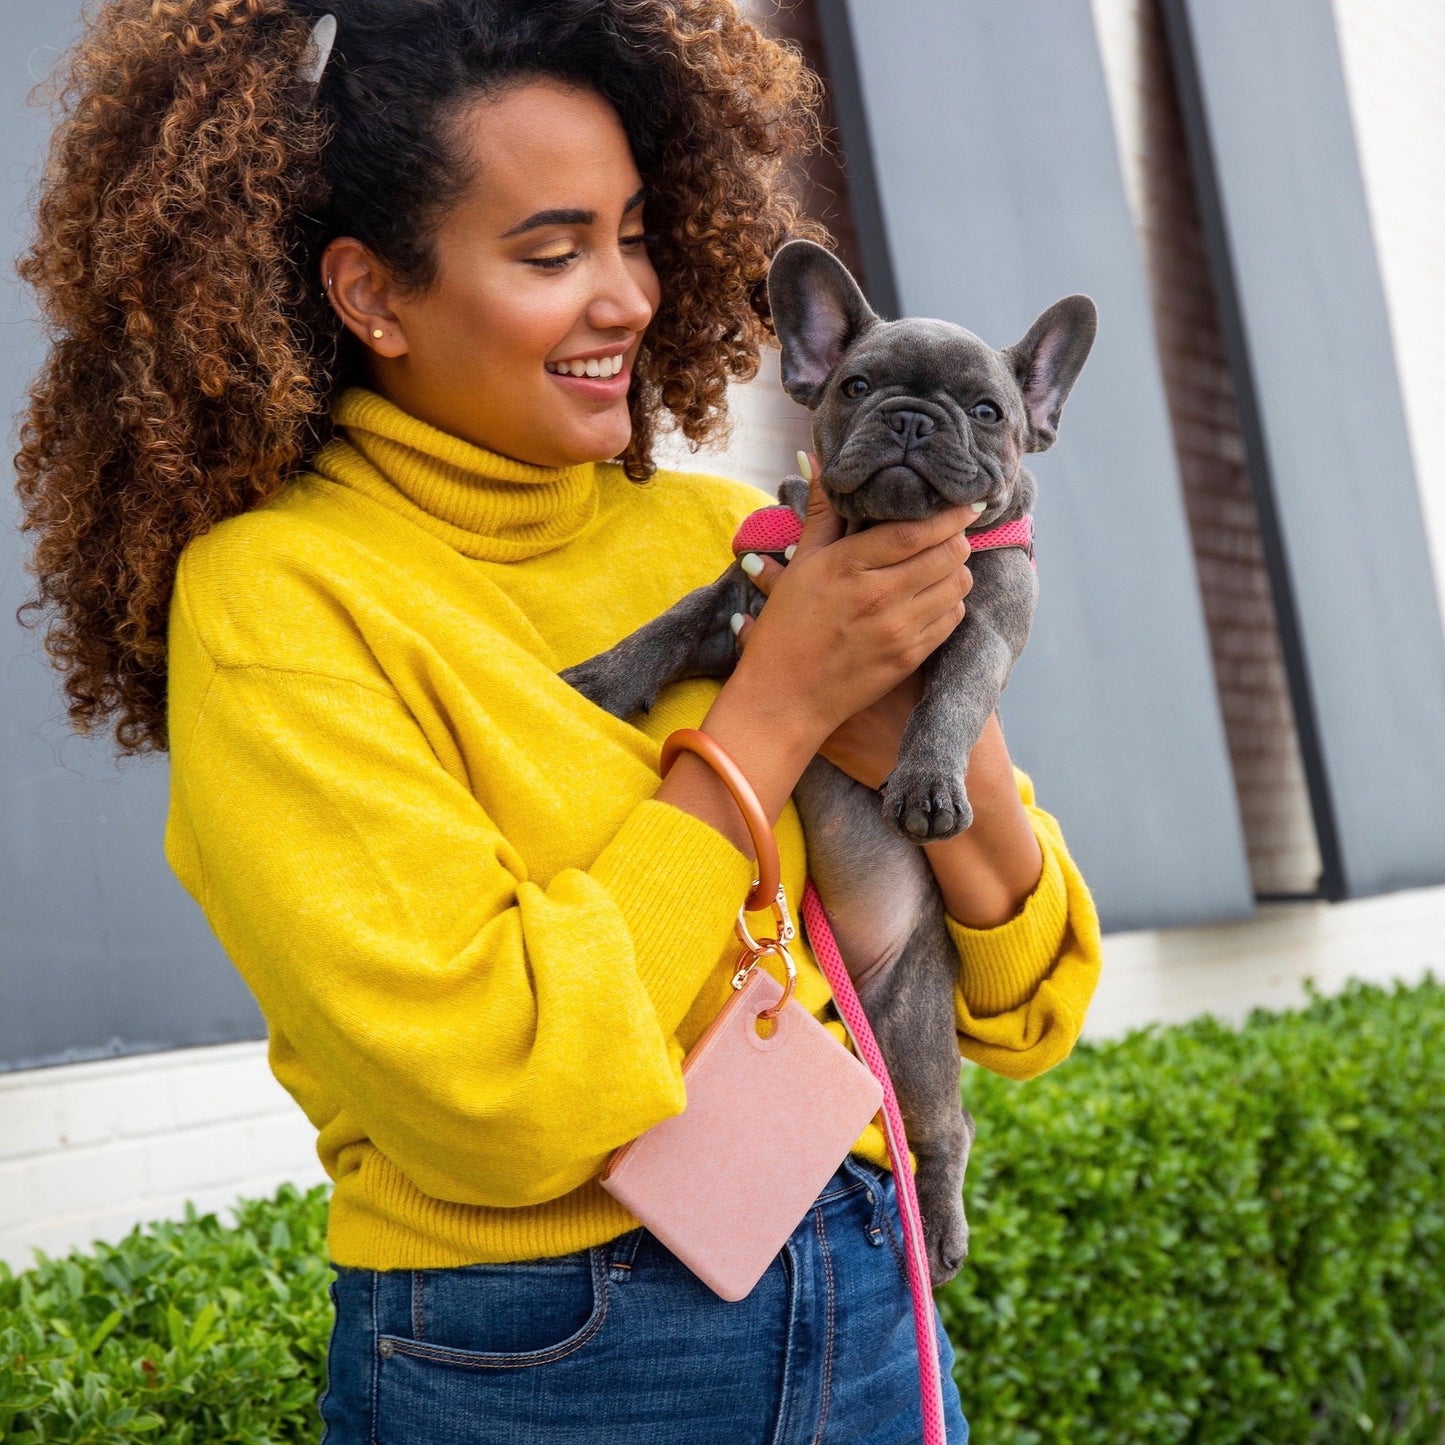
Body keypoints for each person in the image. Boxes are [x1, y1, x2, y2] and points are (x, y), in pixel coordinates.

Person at [14, 1, 1103, 1439]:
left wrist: (922, 713)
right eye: (551, 252)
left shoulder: (739, 533)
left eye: (637, 235)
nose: (629, 298)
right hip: (546, 1349)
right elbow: (507, 1092)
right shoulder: (281, 601)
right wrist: (767, 715)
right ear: (372, 294)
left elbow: (1028, 1010)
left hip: (863, 1269)